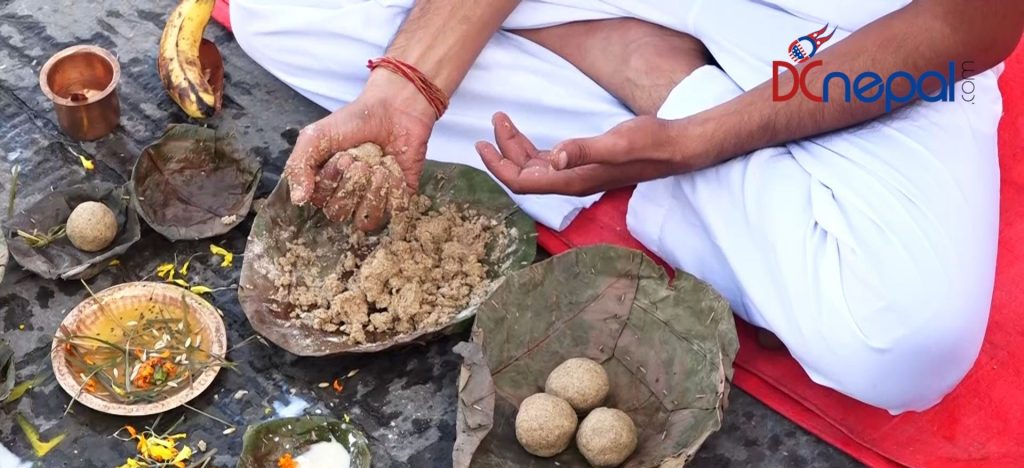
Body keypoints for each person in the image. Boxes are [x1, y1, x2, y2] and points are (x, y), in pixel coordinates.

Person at [230, 0, 1023, 414]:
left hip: (852, 34)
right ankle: (618, 64)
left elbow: (967, 25)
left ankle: (645, 73)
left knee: (901, 341)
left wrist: (692, 130)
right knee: (281, 7)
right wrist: (408, 85)